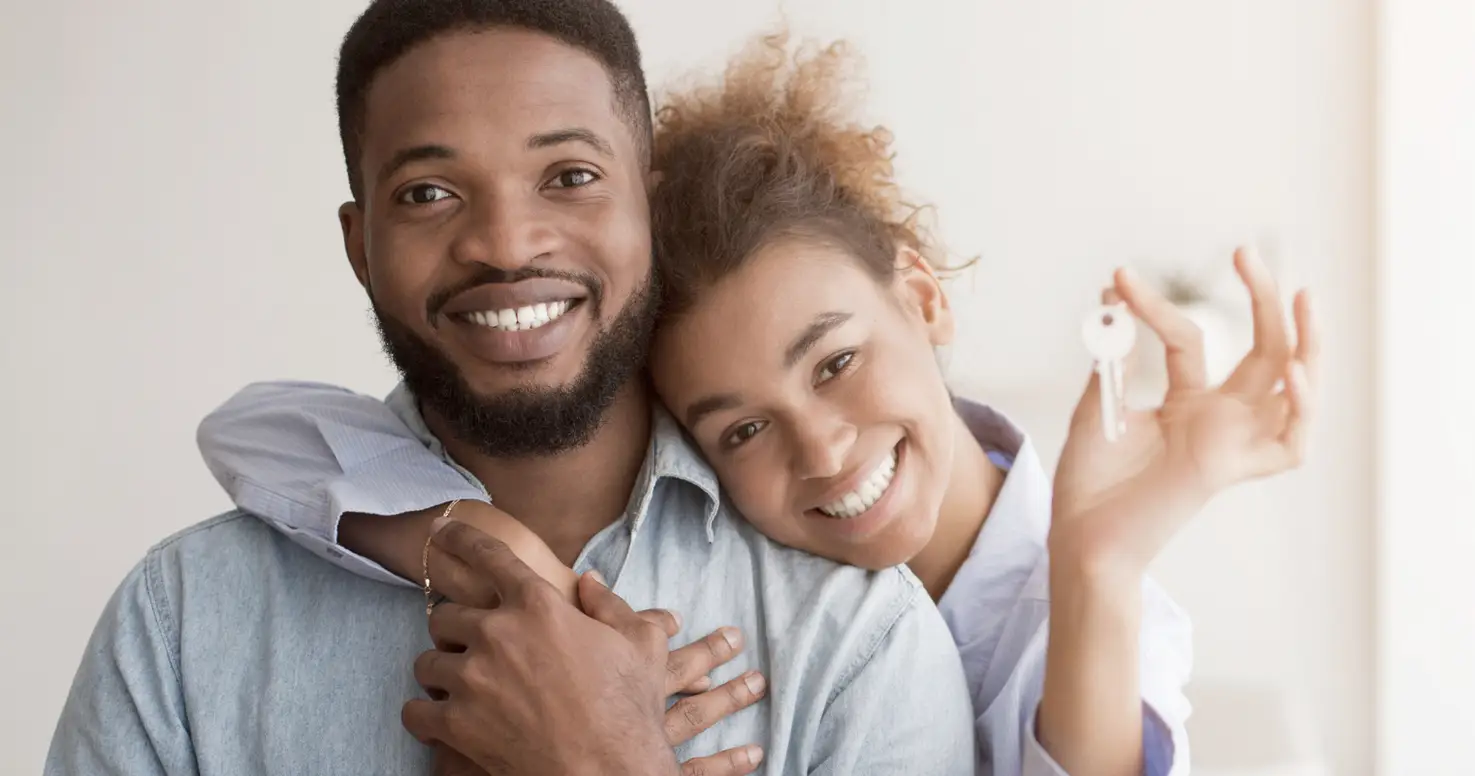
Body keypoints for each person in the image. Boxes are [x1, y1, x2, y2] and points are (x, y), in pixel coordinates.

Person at [193, 30, 1321, 776]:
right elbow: (256, 432)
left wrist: (1098, 567)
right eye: (741, 427)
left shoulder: (1060, 606)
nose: (825, 452)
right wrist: (488, 545)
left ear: (919, 290)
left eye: (834, 361)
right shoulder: (749, 566)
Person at [43, 2, 979, 775]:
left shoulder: (858, 641)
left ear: (643, 208)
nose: (506, 242)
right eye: (427, 193)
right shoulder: (183, 623)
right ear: (358, 247)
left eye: (568, 176)